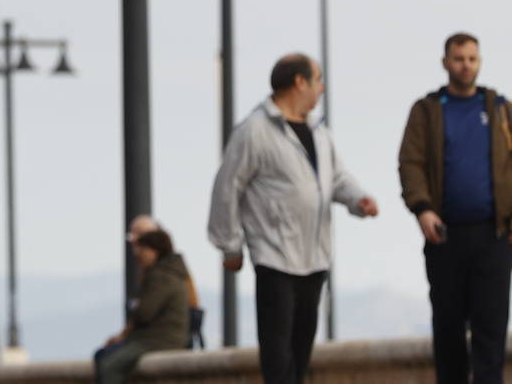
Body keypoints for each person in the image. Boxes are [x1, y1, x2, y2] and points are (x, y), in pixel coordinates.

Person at [208, 52, 378, 384]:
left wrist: (359, 200)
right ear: (299, 82)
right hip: (275, 256)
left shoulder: (318, 132)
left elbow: (336, 178)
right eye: (318, 80)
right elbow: (227, 187)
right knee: (277, 352)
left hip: (314, 258)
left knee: (300, 353)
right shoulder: (254, 130)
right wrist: (230, 246)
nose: (322, 88)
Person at [399, 32, 512, 384]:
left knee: (491, 331)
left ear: (479, 63)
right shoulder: (427, 111)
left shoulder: (498, 109)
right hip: (445, 237)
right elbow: (410, 163)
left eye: (472, 59)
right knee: (448, 330)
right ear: (446, 62)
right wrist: (422, 208)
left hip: (494, 236)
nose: (466, 65)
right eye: (459, 58)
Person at [93, 230, 189, 383]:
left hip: (158, 341)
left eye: (143, 249)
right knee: (102, 355)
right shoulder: (169, 273)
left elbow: (144, 313)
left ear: (156, 250)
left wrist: (136, 309)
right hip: (158, 339)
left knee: (109, 366)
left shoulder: (160, 277)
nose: (138, 253)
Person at [125, 215, 204, 349]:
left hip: (167, 338)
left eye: (140, 239)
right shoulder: (159, 269)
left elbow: (145, 311)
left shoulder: (167, 272)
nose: (136, 249)